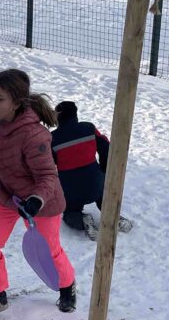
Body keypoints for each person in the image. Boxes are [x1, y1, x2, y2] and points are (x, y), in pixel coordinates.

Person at [0, 69, 77, 316]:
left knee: (49, 251)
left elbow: (47, 175)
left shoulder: (34, 135)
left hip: (41, 201)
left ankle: (67, 287)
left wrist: (35, 199)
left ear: (17, 101)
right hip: (8, 195)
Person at [51, 100, 132, 240]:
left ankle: (82, 220)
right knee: (103, 198)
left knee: (69, 212)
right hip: (95, 182)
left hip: (71, 189)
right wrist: (103, 172)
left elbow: (47, 164)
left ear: (58, 116)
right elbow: (106, 148)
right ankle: (114, 217)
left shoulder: (52, 138)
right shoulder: (89, 128)